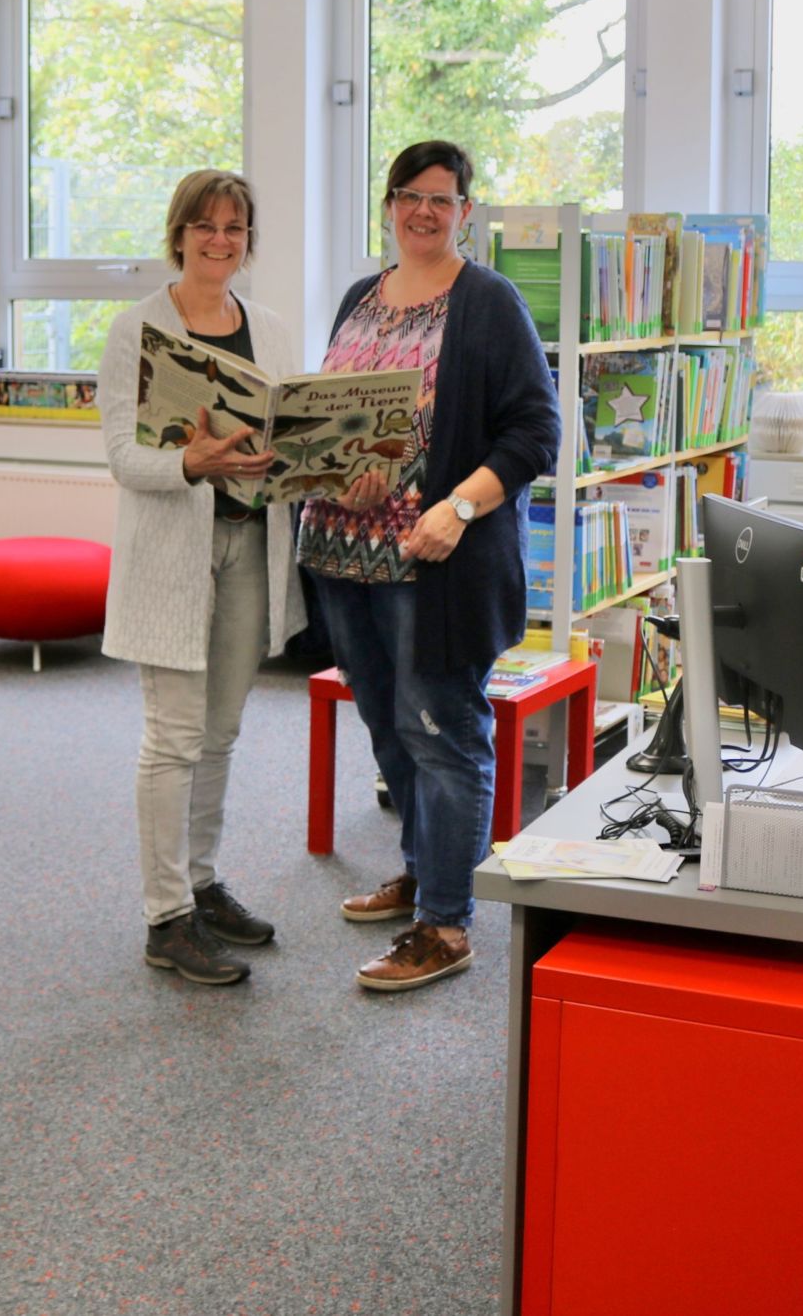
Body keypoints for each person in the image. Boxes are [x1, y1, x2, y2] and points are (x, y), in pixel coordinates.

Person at [299, 140, 559, 993]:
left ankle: (446, 924)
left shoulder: (489, 303)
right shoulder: (357, 299)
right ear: (388, 205)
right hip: (345, 551)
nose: (422, 212)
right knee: (389, 729)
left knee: (444, 735)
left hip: (436, 561)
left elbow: (534, 432)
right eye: (408, 196)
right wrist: (341, 467)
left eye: (441, 200)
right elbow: (340, 425)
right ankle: (424, 871)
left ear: (465, 215)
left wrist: (456, 507)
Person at [97, 170, 309, 987]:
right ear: (178, 232)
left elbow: (293, 432)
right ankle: (165, 919)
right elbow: (123, 455)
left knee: (220, 732)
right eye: (205, 225)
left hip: (252, 543)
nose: (220, 239)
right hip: (174, 550)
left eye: (235, 227)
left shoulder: (273, 329)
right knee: (175, 735)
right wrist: (193, 459)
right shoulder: (137, 329)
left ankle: (202, 881)